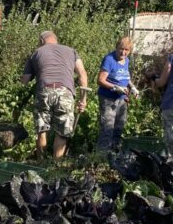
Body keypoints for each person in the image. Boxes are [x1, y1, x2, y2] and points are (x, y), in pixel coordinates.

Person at [21, 31, 88, 159]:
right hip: (65, 93)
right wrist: (83, 100)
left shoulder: (36, 53)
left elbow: (24, 81)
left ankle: (41, 165)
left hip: (44, 91)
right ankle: (55, 169)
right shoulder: (71, 51)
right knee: (62, 133)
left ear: (41, 41)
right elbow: (82, 74)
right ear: (55, 40)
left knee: (42, 131)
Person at [96, 36, 137, 154]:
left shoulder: (127, 60)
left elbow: (125, 76)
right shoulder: (109, 59)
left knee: (119, 127)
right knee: (108, 128)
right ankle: (101, 156)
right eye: (121, 49)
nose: (123, 52)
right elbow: (100, 80)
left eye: (127, 50)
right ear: (116, 47)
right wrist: (115, 87)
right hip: (108, 98)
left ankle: (114, 153)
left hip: (122, 99)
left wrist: (132, 87)